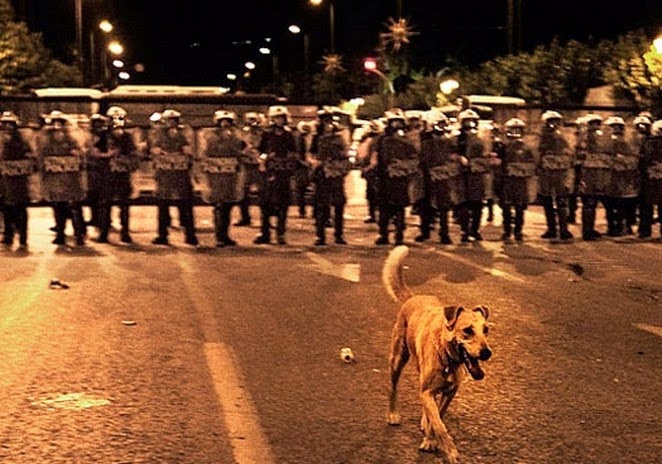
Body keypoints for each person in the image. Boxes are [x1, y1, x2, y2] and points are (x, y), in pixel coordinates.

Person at [37, 110, 87, 246]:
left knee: (73, 206)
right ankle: (60, 234)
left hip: (70, 179)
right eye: (54, 123)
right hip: (55, 179)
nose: (57, 126)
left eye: (59, 123)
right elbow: (42, 157)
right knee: (58, 206)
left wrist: (75, 154)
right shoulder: (47, 140)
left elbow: (80, 155)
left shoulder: (71, 139)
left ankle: (79, 234)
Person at [150, 109, 198, 246]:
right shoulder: (158, 135)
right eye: (169, 120)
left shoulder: (184, 134)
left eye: (174, 120)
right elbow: (154, 149)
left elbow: (189, 151)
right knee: (163, 205)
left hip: (180, 173)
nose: (172, 123)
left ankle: (190, 235)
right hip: (165, 173)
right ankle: (162, 234)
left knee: (185, 205)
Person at [371, 108, 419, 245]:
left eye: (399, 122)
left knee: (399, 208)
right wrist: (374, 166)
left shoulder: (406, 140)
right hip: (384, 178)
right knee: (383, 208)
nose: (396, 125)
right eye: (394, 122)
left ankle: (399, 236)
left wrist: (402, 167)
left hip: (400, 179)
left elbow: (414, 159)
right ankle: (383, 234)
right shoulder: (381, 139)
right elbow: (374, 156)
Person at [94, 106, 140, 243]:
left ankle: (124, 232)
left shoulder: (127, 137)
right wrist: (108, 155)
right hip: (108, 174)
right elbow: (95, 152)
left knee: (124, 205)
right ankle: (104, 233)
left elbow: (134, 154)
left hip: (122, 174)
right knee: (106, 204)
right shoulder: (103, 136)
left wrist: (126, 159)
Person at [417, 111, 464, 244]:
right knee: (425, 205)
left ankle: (444, 233)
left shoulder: (448, 141)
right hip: (427, 176)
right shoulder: (424, 141)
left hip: (441, 175)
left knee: (443, 205)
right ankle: (426, 231)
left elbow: (453, 157)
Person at [253, 105, 298, 245]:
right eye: (277, 118)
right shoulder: (267, 134)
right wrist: (265, 159)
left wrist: (288, 160)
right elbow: (260, 151)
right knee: (265, 203)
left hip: (283, 172)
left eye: (281, 118)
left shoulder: (289, 134)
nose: (279, 120)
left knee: (283, 203)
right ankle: (264, 232)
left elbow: (294, 152)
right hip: (268, 171)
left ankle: (280, 233)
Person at [201, 110, 246, 247]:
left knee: (227, 206)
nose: (225, 124)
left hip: (230, 175)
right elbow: (208, 151)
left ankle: (225, 235)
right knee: (218, 206)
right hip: (216, 175)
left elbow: (241, 150)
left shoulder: (235, 137)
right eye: (223, 121)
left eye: (228, 121)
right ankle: (219, 236)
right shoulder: (211, 136)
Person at [307, 108, 351, 245]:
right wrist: (315, 163)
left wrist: (340, 165)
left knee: (339, 204)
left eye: (328, 120)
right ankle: (320, 236)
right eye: (324, 120)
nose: (327, 124)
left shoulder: (339, 138)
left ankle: (339, 235)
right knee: (321, 206)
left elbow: (345, 154)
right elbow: (310, 154)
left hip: (336, 173)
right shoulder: (316, 138)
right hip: (322, 174)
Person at [455, 108, 493, 242]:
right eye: (467, 121)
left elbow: (486, 156)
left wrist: (477, 163)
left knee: (477, 204)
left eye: (472, 121)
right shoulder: (457, 138)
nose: (470, 123)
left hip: (476, 175)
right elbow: (451, 154)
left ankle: (475, 230)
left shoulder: (481, 138)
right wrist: (459, 158)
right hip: (461, 176)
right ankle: (465, 230)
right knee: (463, 204)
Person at [497, 118, 537, 242]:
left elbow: (532, 163)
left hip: (520, 181)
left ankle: (518, 231)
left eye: (517, 130)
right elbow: (496, 163)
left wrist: (523, 169)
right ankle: (507, 231)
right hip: (507, 180)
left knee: (520, 207)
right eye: (512, 130)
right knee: (506, 208)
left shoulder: (526, 148)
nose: (515, 133)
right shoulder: (502, 147)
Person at [537, 110, 574, 240]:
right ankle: (551, 228)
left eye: (555, 121)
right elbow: (539, 152)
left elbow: (569, 152)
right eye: (550, 122)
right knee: (547, 199)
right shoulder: (542, 137)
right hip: (547, 171)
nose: (553, 124)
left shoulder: (564, 136)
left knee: (562, 199)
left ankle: (564, 229)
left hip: (561, 171)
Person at [0, 111, 34, 249]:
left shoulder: (21, 140)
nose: (8, 127)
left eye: (10, 124)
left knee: (20, 206)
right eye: (5, 124)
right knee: (5, 206)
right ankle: (8, 234)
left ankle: (23, 235)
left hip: (18, 179)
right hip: (3, 179)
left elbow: (29, 155)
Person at [577, 113, 611, 241]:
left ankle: (589, 229)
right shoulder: (584, 138)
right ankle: (587, 231)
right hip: (588, 174)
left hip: (598, 173)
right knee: (589, 202)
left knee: (593, 201)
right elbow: (580, 157)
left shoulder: (601, 138)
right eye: (593, 123)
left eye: (597, 123)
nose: (595, 126)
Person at [604, 116, 638, 236]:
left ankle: (622, 226)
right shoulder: (606, 141)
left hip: (621, 176)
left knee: (621, 202)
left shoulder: (626, 141)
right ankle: (614, 226)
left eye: (617, 127)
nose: (615, 129)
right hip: (611, 177)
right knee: (612, 203)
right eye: (613, 127)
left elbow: (631, 157)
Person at [235, 111, 264, 227]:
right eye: (250, 119)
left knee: (263, 193)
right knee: (243, 193)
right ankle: (245, 217)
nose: (252, 122)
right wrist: (243, 152)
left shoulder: (263, 133)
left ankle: (265, 218)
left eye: (254, 119)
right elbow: (238, 146)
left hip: (259, 164)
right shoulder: (242, 133)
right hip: (246, 164)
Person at [356, 119, 384, 224]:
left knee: (376, 193)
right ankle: (373, 214)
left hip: (376, 169)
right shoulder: (367, 139)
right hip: (371, 170)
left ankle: (377, 214)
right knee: (372, 193)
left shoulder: (380, 139)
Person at [638, 119, 662, 239]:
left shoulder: (647, 142)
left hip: (648, 176)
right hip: (653, 175)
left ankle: (644, 230)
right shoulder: (648, 142)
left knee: (646, 204)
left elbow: (642, 159)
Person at [294, 120, 312, 218]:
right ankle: (302, 210)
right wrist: (304, 163)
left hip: (306, 165)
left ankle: (303, 210)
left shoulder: (304, 138)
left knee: (303, 189)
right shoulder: (300, 138)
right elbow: (298, 153)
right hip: (302, 166)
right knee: (301, 188)